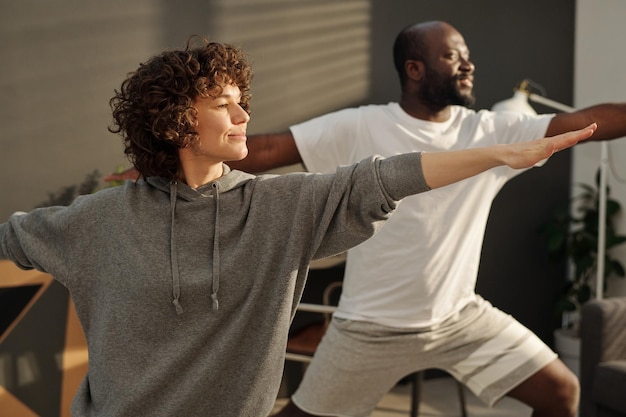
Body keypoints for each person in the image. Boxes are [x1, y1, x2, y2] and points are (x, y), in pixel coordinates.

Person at [0, 37, 595, 417]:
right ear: (176, 121)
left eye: (242, 101)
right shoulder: (100, 219)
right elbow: (9, 239)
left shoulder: (279, 208)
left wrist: (496, 154)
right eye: (223, 104)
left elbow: (385, 177)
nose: (243, 116)